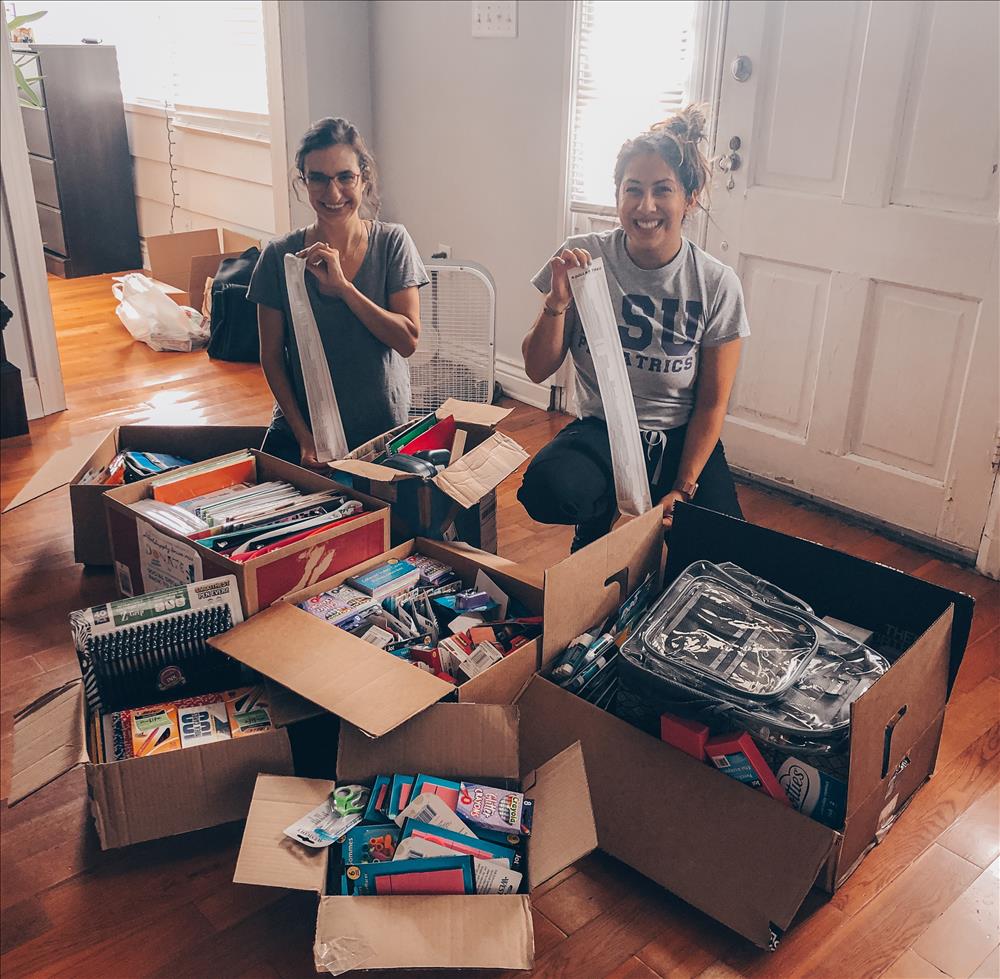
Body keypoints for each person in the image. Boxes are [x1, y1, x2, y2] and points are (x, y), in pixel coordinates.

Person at [519, 106, 749, 552]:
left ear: (690, 197)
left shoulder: (716, 283)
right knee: (549, 488)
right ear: (618, 195)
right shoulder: (583, 256)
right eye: (633, 190)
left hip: (680, 434)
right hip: (603, 429)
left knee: (724, 553)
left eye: (662, 190)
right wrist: (557, 303)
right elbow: (535, 369)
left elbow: (711, 404)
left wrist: (682, 490)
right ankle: (596, 515)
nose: (646, 207)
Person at [248, 117, 429, 466]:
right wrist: (305, 436)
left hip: (381, 431)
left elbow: (407, 341)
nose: (333, 194)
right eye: (317, 178)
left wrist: (345, 288)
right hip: (304, 430)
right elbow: (271, 356)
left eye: (345, 177)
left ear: (364, 178)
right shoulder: (278, 256)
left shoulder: (392, 243)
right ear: (303, 180)